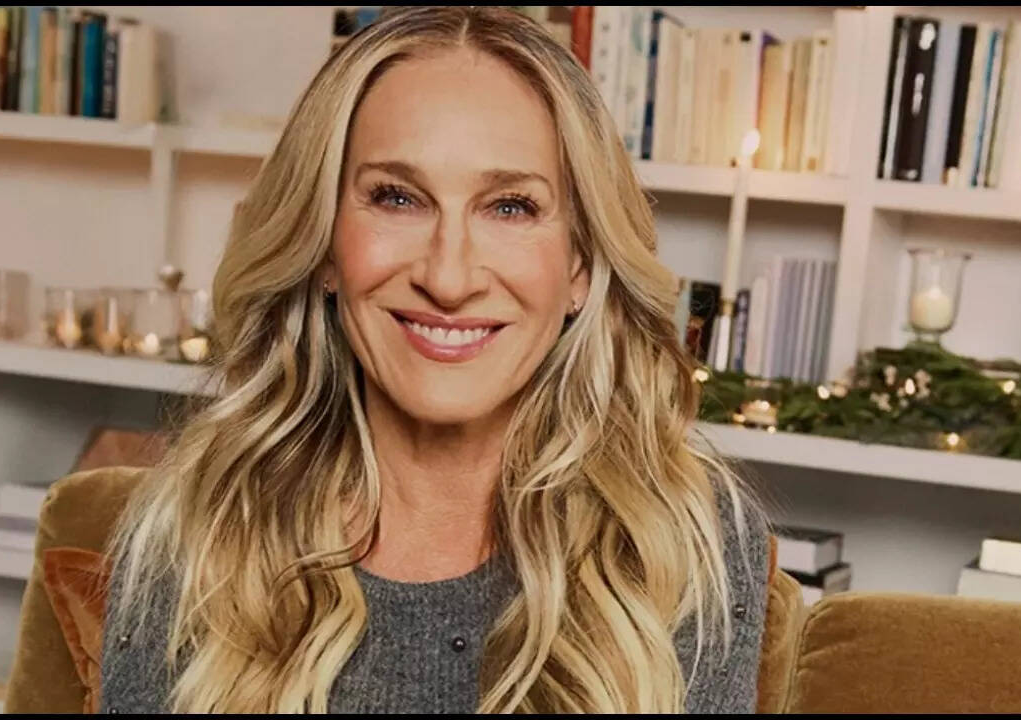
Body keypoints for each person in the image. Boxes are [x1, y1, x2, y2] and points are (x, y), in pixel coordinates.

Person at [101, 6, 771, 714]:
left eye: (510, 207)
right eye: (397, 198)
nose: (448, 279)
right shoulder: (200, 527)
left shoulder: (675, 540)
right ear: (323, 245)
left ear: (579, 264)